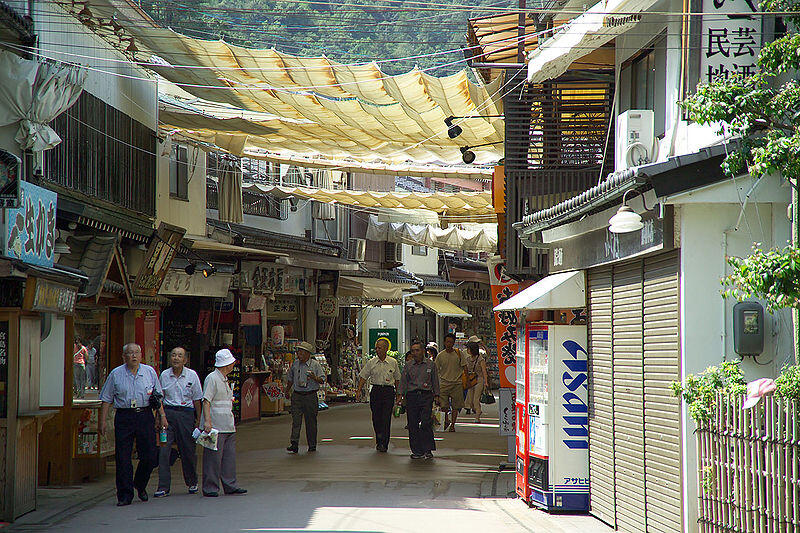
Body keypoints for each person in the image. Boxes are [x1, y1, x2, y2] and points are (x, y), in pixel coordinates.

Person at [99, 343, 166, 506]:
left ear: (141, 355)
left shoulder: (149, 372)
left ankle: (140, 483)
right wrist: (102, 421)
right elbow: (107, 399)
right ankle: (124, 494)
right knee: (123, 457)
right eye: (130, 353)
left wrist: (162, 416)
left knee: (150, 455)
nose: (133, 356)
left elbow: (157, 397)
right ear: (124, 357)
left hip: (145, 415)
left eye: (136, 353)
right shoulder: (116, 374)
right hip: (124, 416)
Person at [154, 347, 203, 498]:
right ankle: (163, 487)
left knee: (187, 450)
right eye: (173, 355)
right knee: (164, 450)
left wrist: (199, 422)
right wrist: (159, 417)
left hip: (185, 415)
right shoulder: (164, 375)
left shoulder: (192, 375)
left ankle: (192, 481)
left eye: (179, 356)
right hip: (167, 415)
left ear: (185, 360)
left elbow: (197, 400)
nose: (176, 358)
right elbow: (159, 399)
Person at [202, 348, 247, 497]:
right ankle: (210, 487)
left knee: (228, 457)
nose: (233, 365)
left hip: (227, 424)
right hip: (215, 425)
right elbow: (206, 400)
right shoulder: (212, 378)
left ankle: (230, 484)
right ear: (226, 364)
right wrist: (207, 421)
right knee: (213, 458)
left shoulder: (224, 379)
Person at [397, 339, 439, 459]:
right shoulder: (408, 366)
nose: (415, 353)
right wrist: (399, 396)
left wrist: (437, 396)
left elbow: (435, 381)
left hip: (426, 396)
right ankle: (417, 450)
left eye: (417, 350)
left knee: (426, 423)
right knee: (413, 424)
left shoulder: (431, 365)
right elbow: (403, 382)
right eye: (413, 351)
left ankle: (428, 449)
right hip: (412, 396)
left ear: (423, 351)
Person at [356, 338, 400, 452]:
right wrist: (359, 390)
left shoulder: (393, 362)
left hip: (388, 392)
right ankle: (378, 439)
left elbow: (397, 379)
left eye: (379, 348)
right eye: (376, 348)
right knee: (376, 418)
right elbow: (363, 376)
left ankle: (384, 443)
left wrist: (399, 394)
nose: (377, 350)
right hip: (376, 391)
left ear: (386, 349)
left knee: (386, 418)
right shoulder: (372, 362)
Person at [285, 341, 325, 454]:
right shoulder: (295, 364)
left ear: (308, 354)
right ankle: (294, 443)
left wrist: (314, 377)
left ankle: (312, 444)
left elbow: (322, 379)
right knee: (296, 420)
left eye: (302, 353)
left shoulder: (315, 365)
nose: (299, 355)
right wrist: (287, 390)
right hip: (297, 395)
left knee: (310, 421)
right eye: (298, 352)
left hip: (310, 395)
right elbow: (290, 379)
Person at [435, 333, 467, 432]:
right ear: (444, 342)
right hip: (444, 384)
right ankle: (446, 420)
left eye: (451, 342)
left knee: (455, 406)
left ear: (454, 343)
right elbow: (436, 370)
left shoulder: (459, 354)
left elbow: (464, 366)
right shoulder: (440, 356)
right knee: (443, 405)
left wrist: (467, 380)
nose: (449, 344)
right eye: (447, 342)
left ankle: (453, 424)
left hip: (457, 383)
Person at [464, 336, 489, 423]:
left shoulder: (480, 359)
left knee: (476, 399)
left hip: (479, 379)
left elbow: (484, 371)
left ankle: (477, 416)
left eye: (469, 349)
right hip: (471, 380)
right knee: (470, 401)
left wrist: (486, 382)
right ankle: (477, 410)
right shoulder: (467, 359)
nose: (467, 350)